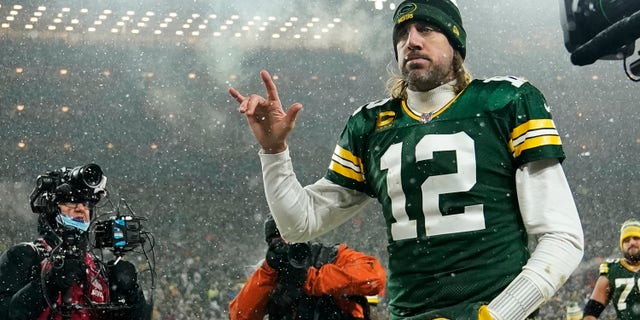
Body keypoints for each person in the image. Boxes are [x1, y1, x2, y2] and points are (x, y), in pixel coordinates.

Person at [229, 0, 584, 319]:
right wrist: (274, 152)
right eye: (402, 33)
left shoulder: (506, 101)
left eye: (426, 29)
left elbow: (563, 237)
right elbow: (298, 224)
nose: (411, 40)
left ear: (455, 42)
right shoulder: (370, 125)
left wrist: (497, 315)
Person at [0, 164, 151, 320]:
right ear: (52, 208)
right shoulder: (24, 256)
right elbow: (6, 313)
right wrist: (49, 283)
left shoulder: (100, 270)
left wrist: (132, 295)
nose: (81, 209)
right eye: (71, 202)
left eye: (87, 204)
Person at [228, 216, 386, 320]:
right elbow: (239, 315)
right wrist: (269, 270)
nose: (285, 248)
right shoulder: (270, 274)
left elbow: (375, 277)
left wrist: (312, 279)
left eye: (288, 240)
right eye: (277, 243)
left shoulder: (330, 257)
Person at [583, 219, 640, 320]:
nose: (631, 242)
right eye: (626, 240)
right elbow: (591, 311)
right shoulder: (613, 270)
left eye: (636, 238)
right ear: (622, 245)